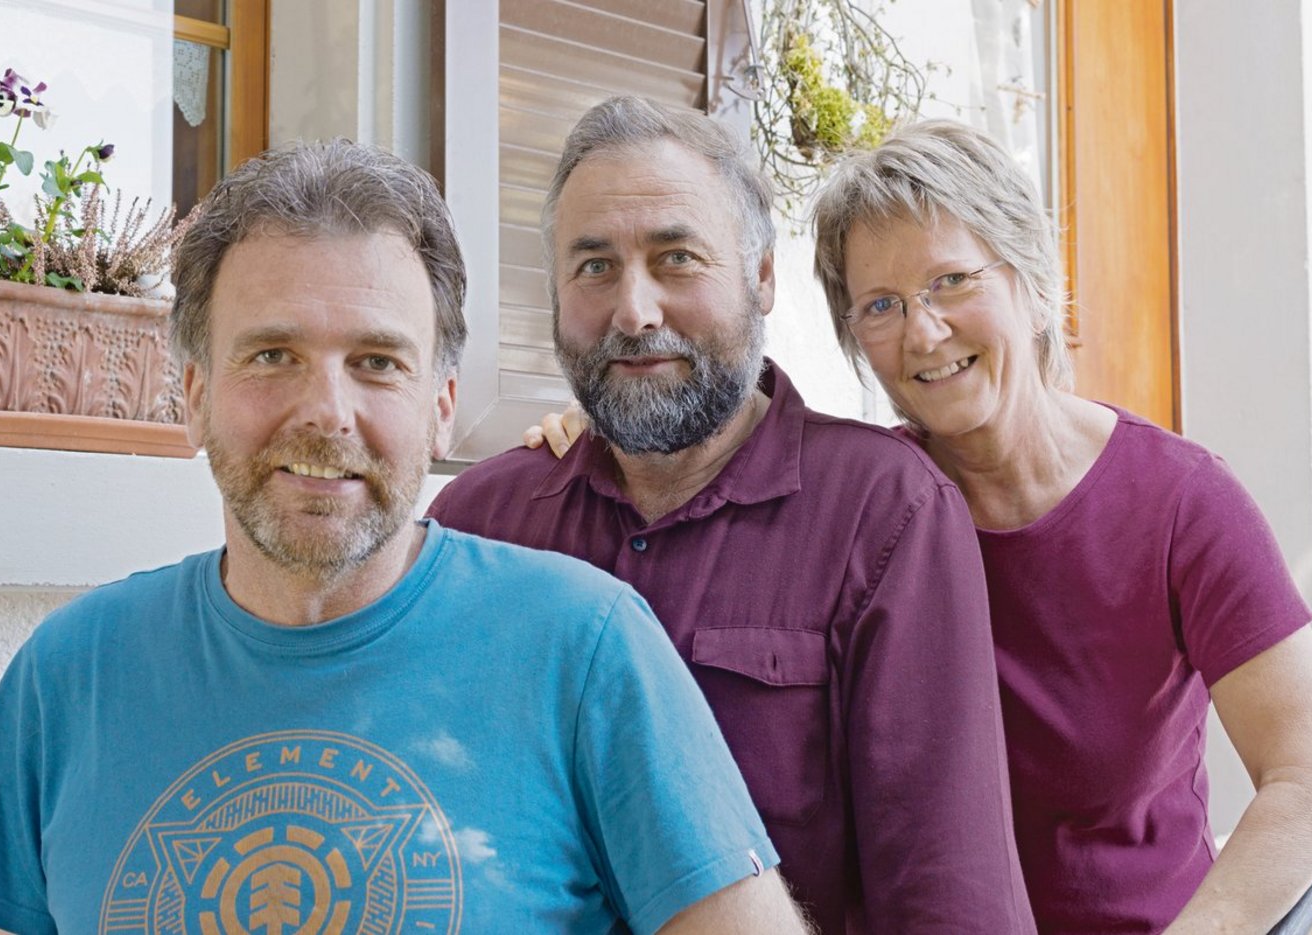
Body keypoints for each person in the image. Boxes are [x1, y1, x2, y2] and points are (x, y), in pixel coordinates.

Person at [0, 140, 812, 935]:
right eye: (271, 356)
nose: (327, 411)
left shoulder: (584, 650)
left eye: (377, 362)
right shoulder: (67, 677)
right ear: (192, 394)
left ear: (441, 405)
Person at [427, 96, 1035, 934]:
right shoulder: (478, 525)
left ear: (761, 279)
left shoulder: (885, 514)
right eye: (594, 267)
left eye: (675, 258)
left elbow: (949, 902)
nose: (634, 311)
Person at [802, 120, 1312, 932]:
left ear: (1029, 280)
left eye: (951, 280)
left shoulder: (1179, 503)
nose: (923, 331)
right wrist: (581, 441)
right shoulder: (857, 505)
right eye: (882, 305)